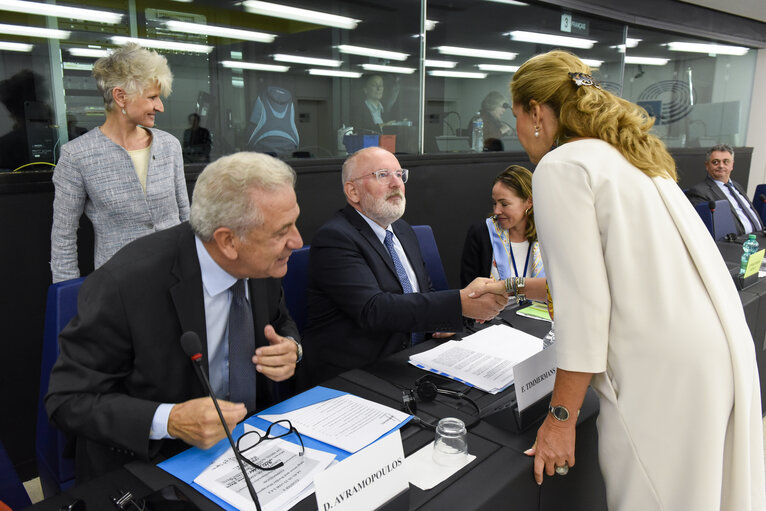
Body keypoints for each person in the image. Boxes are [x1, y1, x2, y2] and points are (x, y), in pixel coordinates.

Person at [476, 50, 763, 509]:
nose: (515, 130)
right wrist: (507, 287)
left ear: (535, 111)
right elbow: (613, 279)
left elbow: (585, 307)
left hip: (659, 374)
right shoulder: (632, 156)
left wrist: (560, 418)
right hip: (713, 354)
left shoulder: (561, 166)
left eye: (515, 116)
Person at [45, 152, 304, 482]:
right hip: (155, 461)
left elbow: (281, 321)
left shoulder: (264, 263)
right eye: (282, 231)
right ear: (227, 241)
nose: (296, 241)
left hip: (253, 442)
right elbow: (67, 400)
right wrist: (169, 420)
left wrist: (292, 348)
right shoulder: (125, 284)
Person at [303, 146, 508, 384]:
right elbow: (374, 309)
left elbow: (423, 294)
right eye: (383, 175)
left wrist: (444, 321)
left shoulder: (402, 230)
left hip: (413, 359)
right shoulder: (335, 238)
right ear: (353, 191)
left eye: (400, 175)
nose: (396, 184)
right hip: (359, 373)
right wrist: (459, 304)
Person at [50, 43, 189, 283]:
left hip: (176, 282)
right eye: (152, 97)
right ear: (121, 96)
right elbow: (63, 237)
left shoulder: (170, 146)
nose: (160, 106)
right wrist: (67, 295)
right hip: (119, 290)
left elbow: (186, 217)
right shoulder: (77, 156)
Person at [460, 165, 546, 302]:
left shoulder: (547, 236)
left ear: (529, 202)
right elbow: (469, 294)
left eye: (504, 204)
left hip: (541, 319)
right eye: (495, 203)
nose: (497, 211)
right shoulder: (482, 234)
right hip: (494, 319)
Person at [685, 144, 764, 235]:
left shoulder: (737, 186)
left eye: (726, 161)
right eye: (715, 162)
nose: (721, 166)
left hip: (759, 238)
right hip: (737, 244)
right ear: (707, 166)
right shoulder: (698, 192)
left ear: (732, 165)